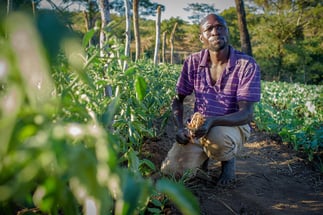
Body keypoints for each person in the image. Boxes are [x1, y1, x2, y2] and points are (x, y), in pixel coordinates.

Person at [171, 13, 261, 185]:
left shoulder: (246, 64)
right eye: (209, 29)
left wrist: (212, 121)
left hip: (232, 126)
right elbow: (178, 99)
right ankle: (202, 158)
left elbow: (246, 113)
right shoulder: (193, 62)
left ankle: (228, 161)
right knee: (172, 171)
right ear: (202, 37)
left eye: (220, 27)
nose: (215, 32)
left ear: (227, 32)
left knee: (217, 136)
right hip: (199, 127)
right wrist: (180, 127)